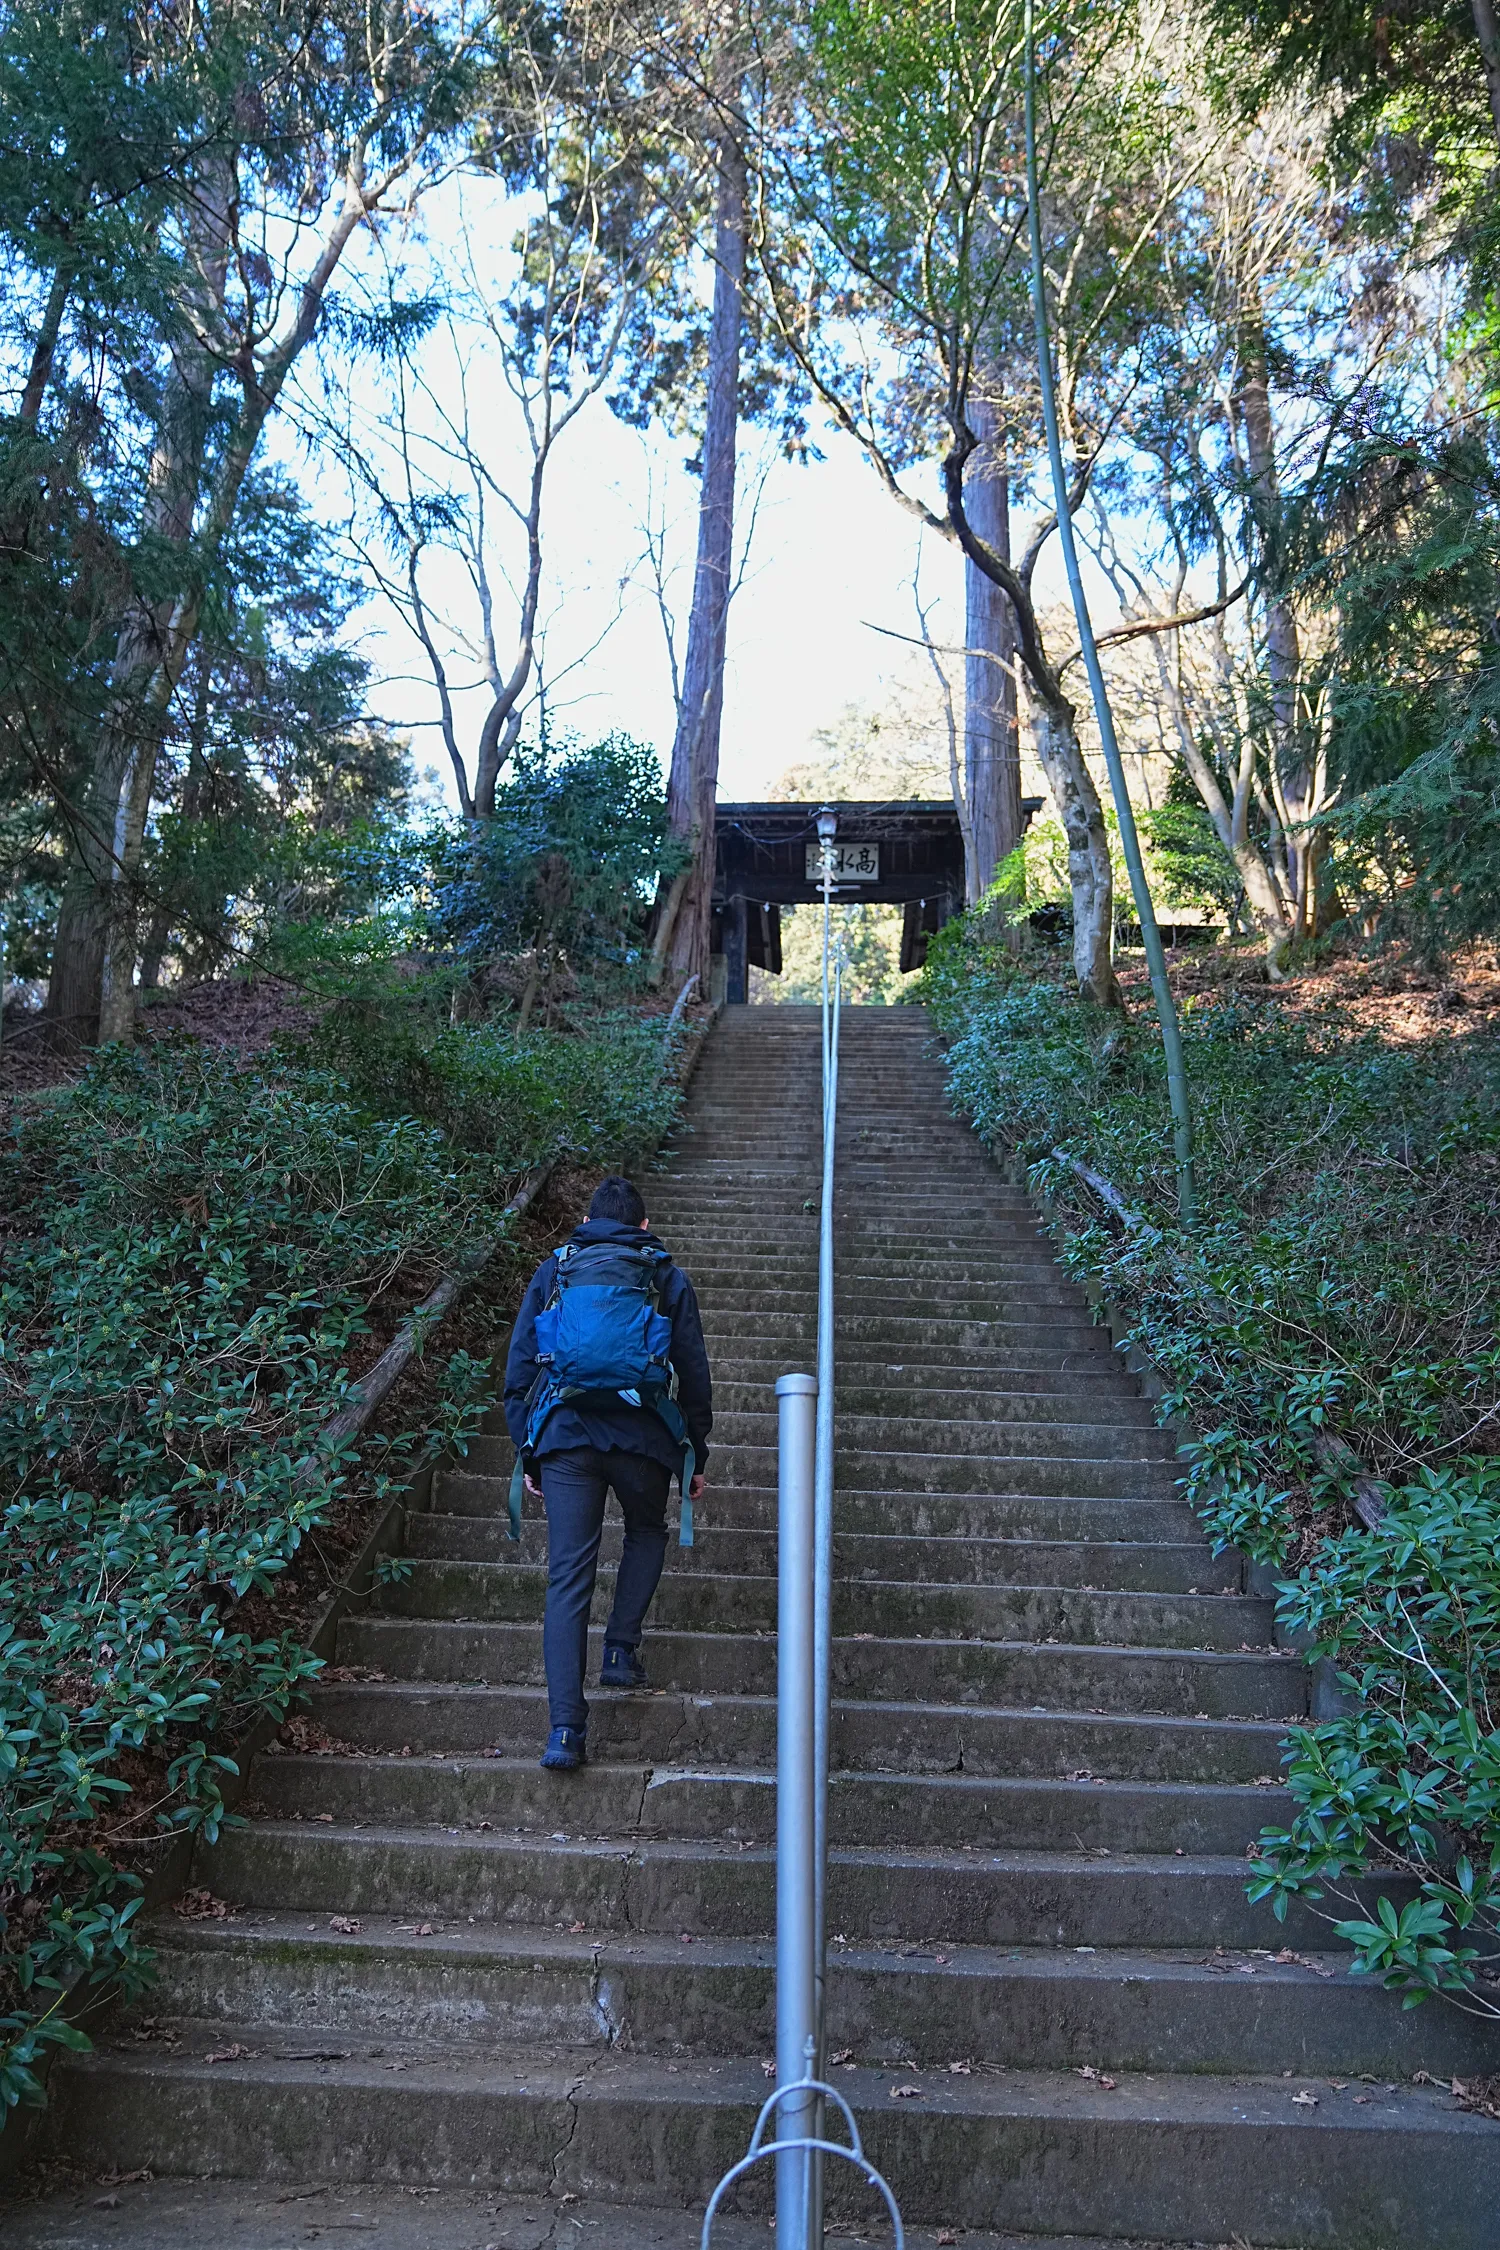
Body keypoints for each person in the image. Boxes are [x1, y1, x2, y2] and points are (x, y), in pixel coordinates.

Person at [504, 1174, 711, 1771]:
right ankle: (620, 1649)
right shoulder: (665, 1275)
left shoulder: (556, 1270)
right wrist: (695, 1455)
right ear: (644, 1226)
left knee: (568, 1576)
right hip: (644, 1437)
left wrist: (529, 1448)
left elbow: (521, 1369)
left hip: (567, 1438)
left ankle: (565, 1732)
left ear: (587, 1221)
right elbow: (694, 1372)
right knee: (645, 1530)